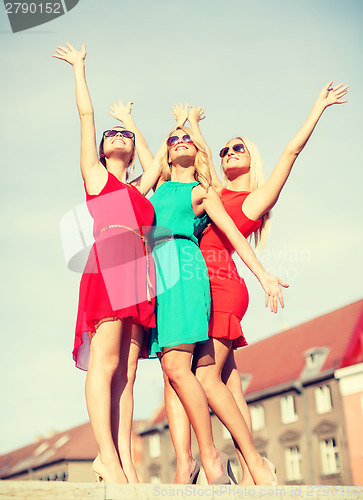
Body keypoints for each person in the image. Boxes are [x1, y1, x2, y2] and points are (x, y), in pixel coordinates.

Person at [170, 82, 348, 484]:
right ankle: (256, 468)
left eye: (238, 148)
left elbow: (290, 152)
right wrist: (190, 126)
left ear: (252, 158)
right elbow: (196, 162)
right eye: (224, 149)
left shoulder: (255, 199)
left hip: (221, 285)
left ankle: (250, 464)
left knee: (205, 377)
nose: (229, 153)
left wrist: (317, 107)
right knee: (230, 384)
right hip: (201, 285)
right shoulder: (214, 191)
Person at [109, 102, 287, 484]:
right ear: (167, 152)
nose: (180, 142)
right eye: (173, 140)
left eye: (187, 139)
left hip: (185, 272)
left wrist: (264, 275)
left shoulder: (202, 193)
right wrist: (132, 123)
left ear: (196, 152)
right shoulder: (156, 189)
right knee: (176, 374)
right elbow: (149, 156)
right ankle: (200, 461)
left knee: (181, 368)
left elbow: (237, 237)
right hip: (157, 277)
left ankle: (215, 458)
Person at [52, 43, 164, 483]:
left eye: (127, 138)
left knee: (130, 372)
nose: (119, 137)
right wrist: (80, 69)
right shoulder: (96, 178)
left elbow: (157, 165)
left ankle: (125, 460)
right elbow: (86, 118)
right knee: (107, 363)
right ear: (100, 152)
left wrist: (135, 122)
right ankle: (106, 456)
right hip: (110, 263)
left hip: (140, 270)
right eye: (113, 136)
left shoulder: (141, 188)